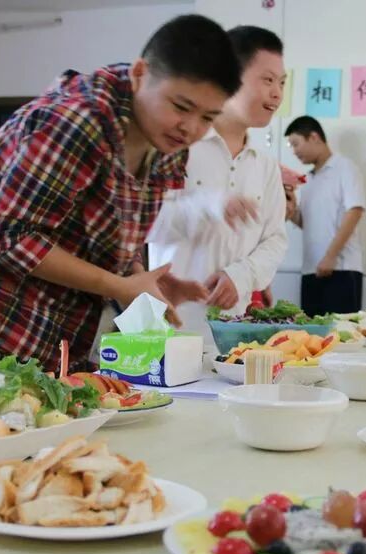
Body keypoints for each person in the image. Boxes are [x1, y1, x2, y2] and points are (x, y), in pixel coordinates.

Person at [0, 14, 242, 372]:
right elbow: (6, 237)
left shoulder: (167, 141)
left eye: (208, 117)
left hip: (54, 338)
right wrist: (119, 286)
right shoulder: (73, 123)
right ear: (139, 74)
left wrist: (142, 281)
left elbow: (107, 229)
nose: (190, 128)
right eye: (181, 107)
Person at [148, 25, 288, 336]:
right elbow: (148, 224)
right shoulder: (179, 146)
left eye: (282, 82)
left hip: (231, 334)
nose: (277, 93)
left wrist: (242, 275)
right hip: (170, 328)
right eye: (267, 80)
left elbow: (275, 240)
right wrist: (209, 206)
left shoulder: (265, 166)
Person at [284, 116, 366, 316]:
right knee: (311, 332)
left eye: (296, 144)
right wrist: (290, 210)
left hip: (341, 269)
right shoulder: (309, 179)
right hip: (310, 270)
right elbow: (307, 223)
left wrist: (330, 257)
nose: (294, 151)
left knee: (341, 332)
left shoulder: (345, 167)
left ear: (314, 137)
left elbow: (355, 211)